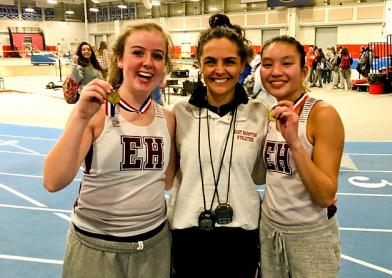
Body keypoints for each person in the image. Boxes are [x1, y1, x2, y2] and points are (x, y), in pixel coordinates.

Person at [43, 22, 176, 278]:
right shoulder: (94, 112)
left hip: (154, 246)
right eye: (138, 53)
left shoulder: (167, 119)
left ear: (164, 65)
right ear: (120, 59)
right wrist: (80, 116)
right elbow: (52, 180)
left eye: (157, 56)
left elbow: (167, 182)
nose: (148, 62)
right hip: (96, 247)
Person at [168, 18, 269, 278]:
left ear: (243, 65)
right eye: (211, 61)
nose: (219, 70)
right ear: (199, 64)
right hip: (187, 234)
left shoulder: (260, 115)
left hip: (242, 236)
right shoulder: (179, 113)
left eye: (229, 62)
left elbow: (267, 174)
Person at [259, 35, 344, 277]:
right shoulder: (268, 114)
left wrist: (295, 142)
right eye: (267, 64)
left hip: (310, 235)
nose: (276, 72)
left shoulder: (322, 114)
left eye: (287, 63)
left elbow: (325, 195)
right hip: (269, 230)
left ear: (304, 71)